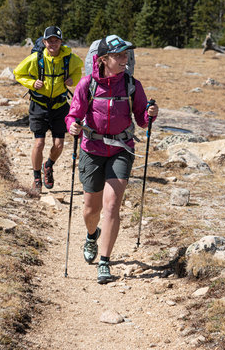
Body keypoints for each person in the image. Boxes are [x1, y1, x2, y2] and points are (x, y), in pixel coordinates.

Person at [66, 35, 158, 284]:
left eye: (126, 55)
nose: (124, 60)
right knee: (90, 210)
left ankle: (104, 262)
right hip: (91, 149)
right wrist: (73, 125)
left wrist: (150, 115)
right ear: (104, 59)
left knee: (111, 206)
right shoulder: (87, 85)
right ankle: (90, 234)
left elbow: (140, 118)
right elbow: (73, 115)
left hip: (121, 149)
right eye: (119, 56)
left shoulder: (132, 85)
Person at [13, 26, 83, 196]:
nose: (53, 44)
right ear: (44, 42)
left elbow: (79, 70)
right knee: (39, 143)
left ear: (61, 42)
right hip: (39, 105)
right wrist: (32, 83)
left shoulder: (69, 58)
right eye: (50, 41)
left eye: (56, 40)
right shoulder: (36, 58)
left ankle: (48, 165)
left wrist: (73, 79)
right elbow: (18, 73)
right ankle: (37, 178)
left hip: (59, 106)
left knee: (59, 145)